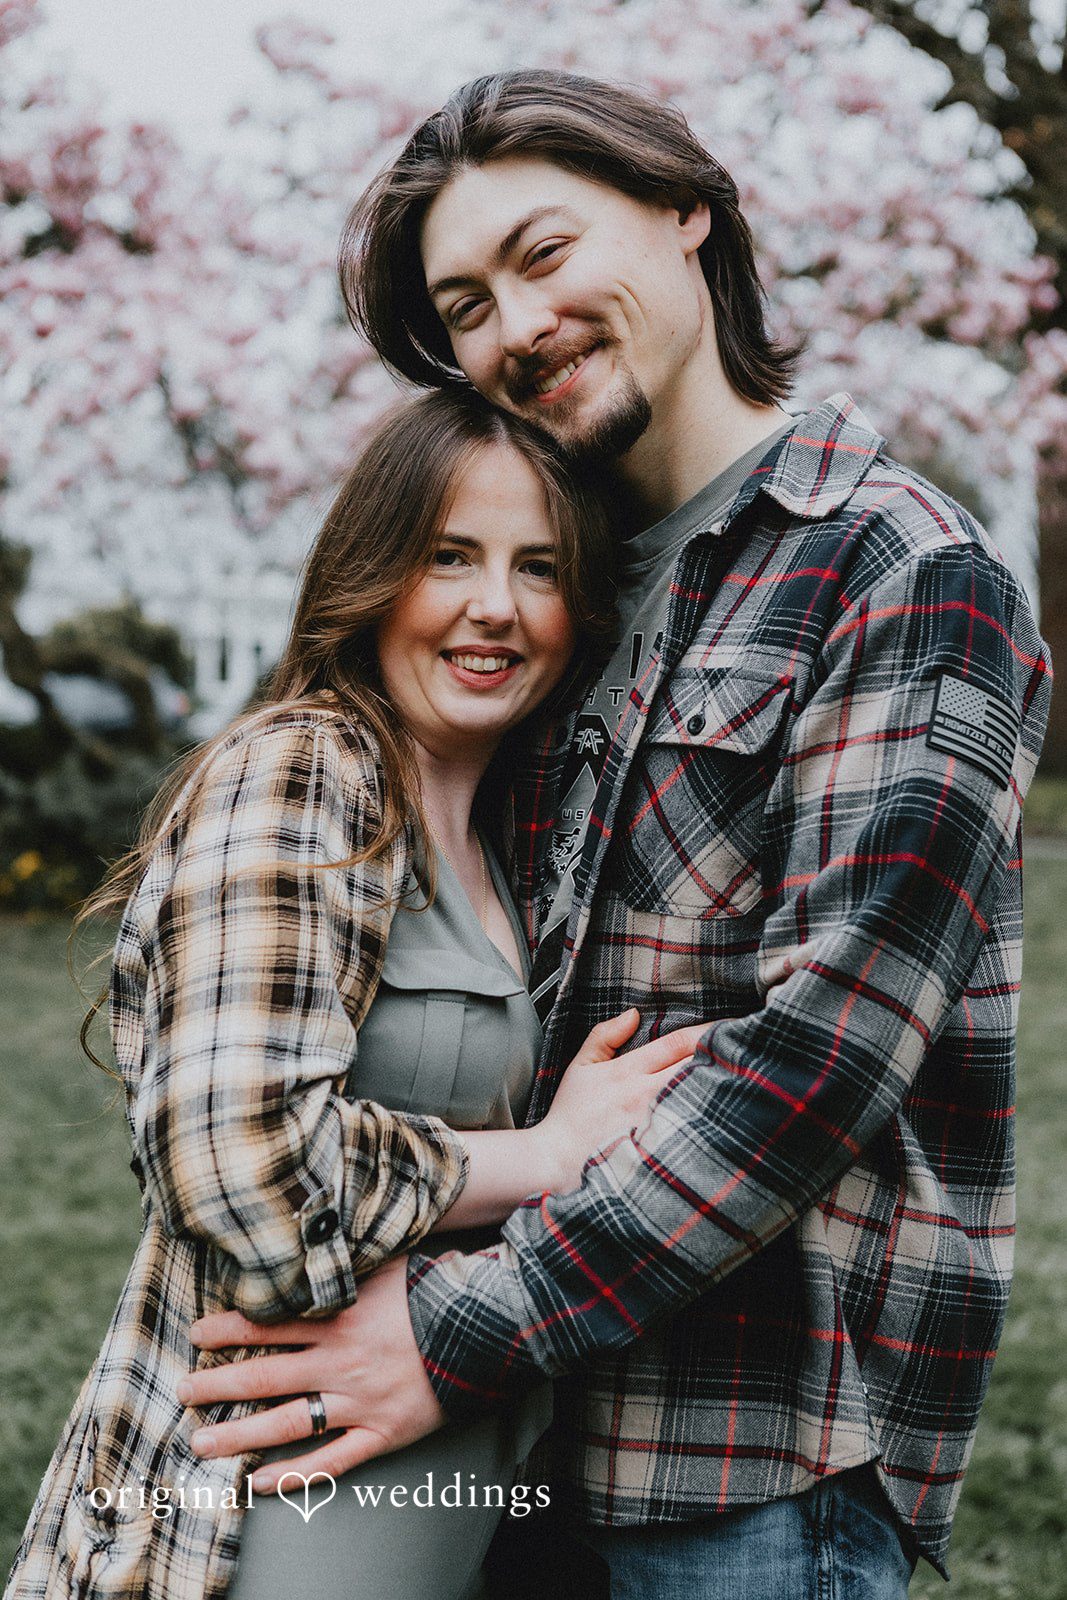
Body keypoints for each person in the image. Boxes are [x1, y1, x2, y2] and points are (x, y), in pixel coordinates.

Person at [178, 71, 1054, 1596]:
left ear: (682, 210)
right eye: (460, 306)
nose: (511, 327)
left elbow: (815, 1064)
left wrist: (452, 1332)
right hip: (492, 1449)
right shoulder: (536, 596)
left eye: (540, 254)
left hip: (741, 1456)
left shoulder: (900, 574)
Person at [3, 387, 707, 1600]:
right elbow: (245, 1180)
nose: (495, 604)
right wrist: (542, 1156)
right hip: (254, 1521)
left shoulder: (500, 843)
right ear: (372, 573)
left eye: (537, 567)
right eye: (449, 556)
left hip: (444, 1484)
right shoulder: (301, 775)